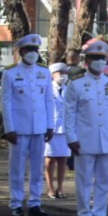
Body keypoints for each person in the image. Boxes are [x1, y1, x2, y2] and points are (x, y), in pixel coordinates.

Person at [65, 39, 108, 216]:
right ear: (87, 61)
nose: (99, 61)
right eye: (95, 58)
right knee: (84, 178)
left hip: (107, 138)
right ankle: (85, 214)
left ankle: (100, 213)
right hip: (84, 139)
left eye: (102, 58)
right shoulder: (76, 84)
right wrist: (71, 138)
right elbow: (70, 114)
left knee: (104, 178)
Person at [1, 33, 55, 216]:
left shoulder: (44, 72)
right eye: (29, 50)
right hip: (19, 128)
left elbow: (49, 101)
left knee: (37, 168)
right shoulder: (10, 73)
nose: (33, 53)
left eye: (35, 50)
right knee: (17, 167)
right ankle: (16, 202)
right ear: (21, 51)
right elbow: (6, 103)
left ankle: (35, 202)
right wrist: (9, 128)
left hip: (39, 128)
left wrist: (50, 125)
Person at [45, 62, 71, 200]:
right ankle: (50, 188)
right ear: (52, 74)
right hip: (52, 128)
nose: (62, 75)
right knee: (50, 159)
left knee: (63, 159)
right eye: (59, 73)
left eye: (65, 73)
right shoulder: (48, 88)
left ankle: (60, 188)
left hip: (65, 128)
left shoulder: (70, 89)